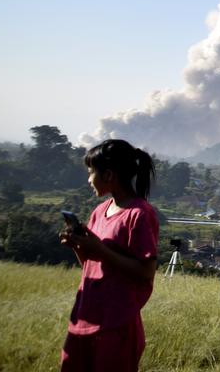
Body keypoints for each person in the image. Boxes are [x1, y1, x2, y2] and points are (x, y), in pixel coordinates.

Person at [59, 138, 159, 372]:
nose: (88, 179)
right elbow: (92, 265)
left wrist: (101, 249)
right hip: (85, 316)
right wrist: (78, 246)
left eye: (90, 172)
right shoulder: (99, 211)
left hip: (116, 323)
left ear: (109, 175)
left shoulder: (140, 214)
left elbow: (146, 272)